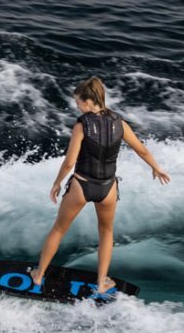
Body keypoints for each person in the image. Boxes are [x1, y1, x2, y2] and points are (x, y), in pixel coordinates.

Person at [32, 77, 170, 296]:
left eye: (78, 101)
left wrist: (57, 183)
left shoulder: (82, 125)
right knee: (106, 233)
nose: (77, 105)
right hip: (107, 188)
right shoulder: (120, 123)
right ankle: (102, 282)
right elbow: (141, 149)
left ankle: (39, 275)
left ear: (88, 101)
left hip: (82, 185)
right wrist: (156, 168)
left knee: (59, 229)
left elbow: (69, 162)